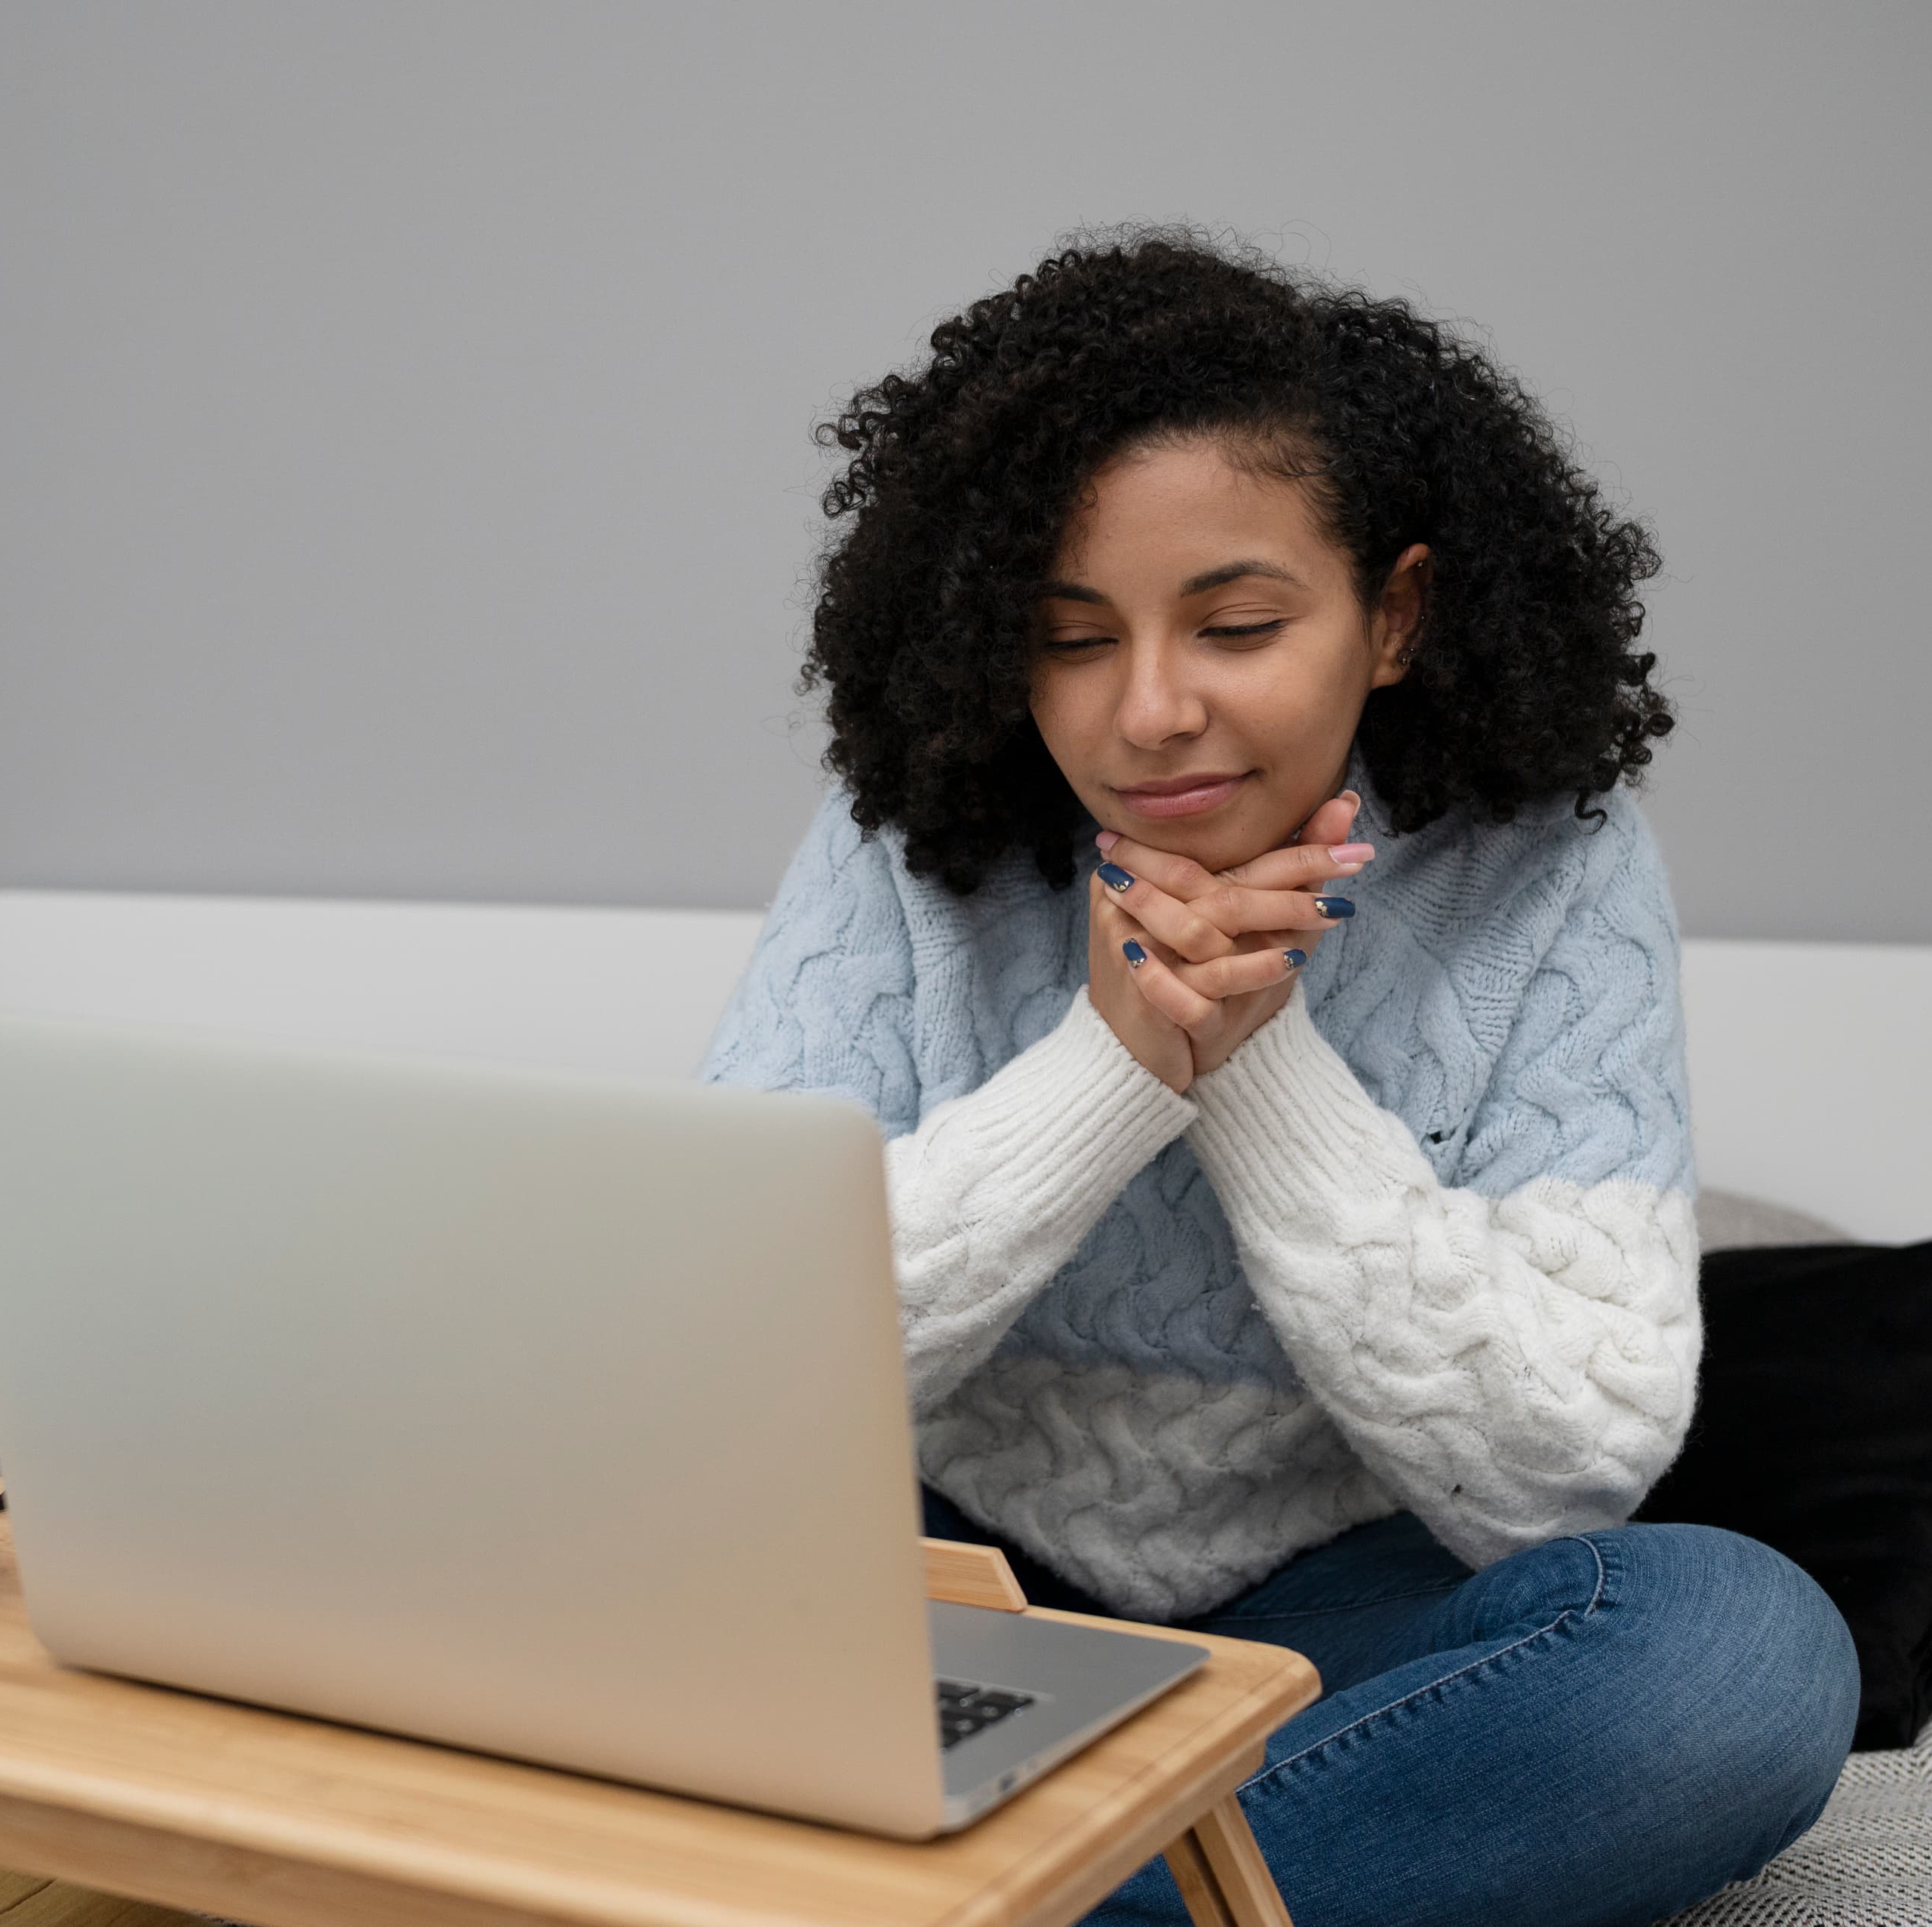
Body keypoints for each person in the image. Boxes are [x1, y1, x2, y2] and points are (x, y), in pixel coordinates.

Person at [701, 229, 1858, 1927]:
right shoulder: (910, 843)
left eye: (1235, 623)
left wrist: (1249, 1059)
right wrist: (1107, 1068)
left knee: (1737, 1661)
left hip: (1344, 1613)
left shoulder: (1555, 870)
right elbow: (728, 1379)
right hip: (939, 1588)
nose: (1150, 711)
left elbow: (1567, 1460)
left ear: (1390, 614)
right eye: (1071, 638)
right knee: (494, 1521)